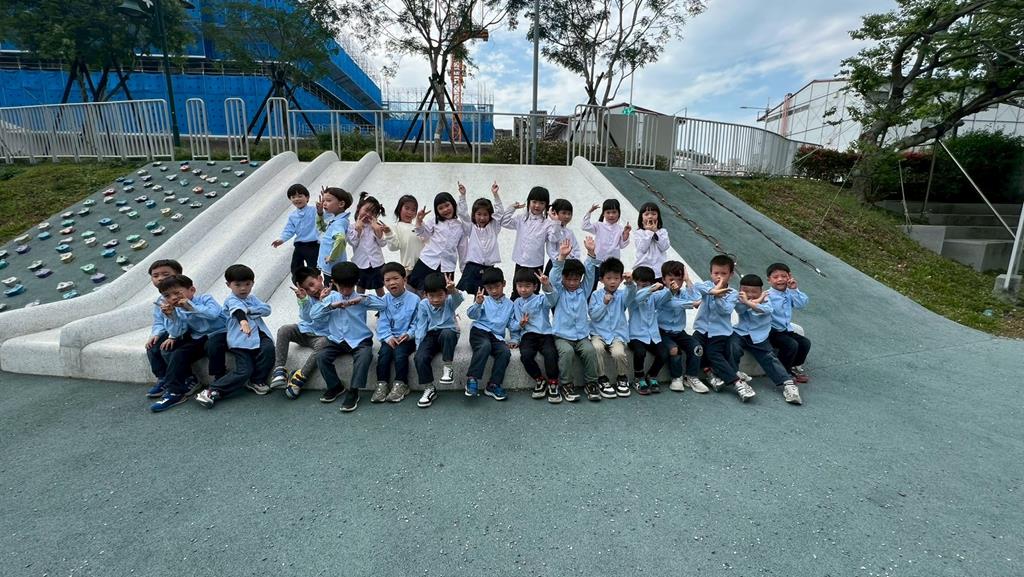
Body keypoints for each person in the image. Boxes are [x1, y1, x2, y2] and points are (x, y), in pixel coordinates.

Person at [195, 264, 275, 408]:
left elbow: (267, 309)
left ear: (253, 283)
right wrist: (243, 321)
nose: (243, 288)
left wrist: (248, 310)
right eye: (238, 285)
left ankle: (257, 381)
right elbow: (238, 310)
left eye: (247, 284)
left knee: (269, 349)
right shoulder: (231, 300)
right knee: (244, 370)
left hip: (260, 335)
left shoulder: (252, 298)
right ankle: (212, 390)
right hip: (240, 340)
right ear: (228, 285)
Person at [311, 262, 385, 413]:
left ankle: (354, 390)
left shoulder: (360, 298)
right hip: (336, 340)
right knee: (321, 356)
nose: (345, 291)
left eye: (349, 287)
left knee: (365, 356)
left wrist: (362, 300)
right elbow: (314, 315)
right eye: (342, 287)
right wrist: (331, 306)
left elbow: (383, 305)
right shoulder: (331, 298)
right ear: (334, 283)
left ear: (356, 282)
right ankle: (335, 386)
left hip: (360, 340)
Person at [149, 274, 228, 412]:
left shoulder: (205, 299)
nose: (173, 298)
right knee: (178, 353)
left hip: (222, 332)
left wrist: (190, 306)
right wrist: (172, 316)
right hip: (199, 337)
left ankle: (219, 380)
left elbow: (213, 314)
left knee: (213, 345)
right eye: (167, 296)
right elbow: (178, 331)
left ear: (192, 290)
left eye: (177, 293)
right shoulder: (178, 310)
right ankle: (175, 392)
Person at [538, 237, 599, 403]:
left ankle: (592, 383)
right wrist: (561, 258)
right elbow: (553, 278)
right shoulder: (558, 292)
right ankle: (566, 384)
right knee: (567, 352)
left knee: (590, 351)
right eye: (568, 279)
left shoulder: (583, 291)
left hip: (582, 336)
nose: (572, 283)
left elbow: (590, 274)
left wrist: (591, 253)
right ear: (563, 279)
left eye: (576, 279)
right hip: (562, 337)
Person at [692, 255, 754, 402]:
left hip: (719, 332)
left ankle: (737, 383)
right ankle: (710, 373)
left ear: (731, 274)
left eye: (724, 273)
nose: (719, 277)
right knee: (694, 347)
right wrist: (713, 291)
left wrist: (718, 296)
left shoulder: (732, 293)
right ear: (711, 273)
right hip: (701, 329)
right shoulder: (707, 285)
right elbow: (697, 287)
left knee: (713, 353)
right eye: (716, 273)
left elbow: (725, 310)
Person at [733, 274, 802, 405]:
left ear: (761, 291)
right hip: (741, 332)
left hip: (760, 336)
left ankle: (788, 384)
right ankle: (736, 374)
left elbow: (764, 310)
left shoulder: (767, 300)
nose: (750, 294)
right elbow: (740, 309)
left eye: (754, 291)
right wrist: (750, 301)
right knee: (732, 347)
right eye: (746, 291)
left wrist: (751, 302)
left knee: (769, 357)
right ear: (740, 290)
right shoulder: (739, 299)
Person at [269, 266, 330, 400]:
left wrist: (322, 301)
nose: (312, 290)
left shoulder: (331, 296)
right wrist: (303, 300)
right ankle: (279, 369)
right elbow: (306, 317)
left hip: (320, 335)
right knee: (284, 329)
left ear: (320, 278)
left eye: (312, 284)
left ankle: (300, 376)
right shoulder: (306, 298)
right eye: (307, 289)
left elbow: (321, 317)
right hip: (304, 331)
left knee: (324, 343)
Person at [371, 262, 421, 404]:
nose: (392, 282)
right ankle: (382, 384)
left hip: (407, 338)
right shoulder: (384, 301)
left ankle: (401, 384)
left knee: (400, 354)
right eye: (387, 280)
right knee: (384, 354)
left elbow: (418, 322)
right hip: (390, 338)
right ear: (384, 283)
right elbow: (382, 322)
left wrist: (409, 334)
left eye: (395, 278)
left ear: (404, 280)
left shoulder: (414, 299)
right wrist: (388, 337)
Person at [508, 267, 560, 403]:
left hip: (545, 333)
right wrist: (517, 333)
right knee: (525, 355)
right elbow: (513, 324)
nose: (523, 289)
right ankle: (539, 379)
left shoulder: (541, 299)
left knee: (550, 353)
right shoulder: (516, 303)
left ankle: (553, 382)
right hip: (527, 335)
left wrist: (546, 285)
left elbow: (552, 300)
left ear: (535, 286)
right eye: (520, 286)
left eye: (527, 286)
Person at [412, 272, 463, 408]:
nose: (435, 300)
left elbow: (459, 298)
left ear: (446, 294)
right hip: (431, 335)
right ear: (425, 295)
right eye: (431, 296)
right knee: (420, 357)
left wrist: (453, 290)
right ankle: (429, 388)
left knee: (447, 333)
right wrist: (419, 346)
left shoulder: (450, 301)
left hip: (449, 334)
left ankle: (448, 368)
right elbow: (421, 326)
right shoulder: (423, 305)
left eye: (440, 295)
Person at [587, 257, 635, 400]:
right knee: (597, 348)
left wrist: (630, 284)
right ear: (601, 279)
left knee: (619, 353)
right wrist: (604, 303)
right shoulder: (596, 295)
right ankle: (602, 378)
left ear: (621, 279)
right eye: (608, 278)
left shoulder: (622, 294)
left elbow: (631, 297)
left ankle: (622, 377)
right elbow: (594, 316)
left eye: (616, 278)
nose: (612, 281)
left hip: (617, 335)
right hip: (598, 333)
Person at [465, 267, 516, 400]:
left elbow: (511, 324)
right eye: (489, 288)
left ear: (504, 284)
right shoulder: (484, 300)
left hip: (497, 336)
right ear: (485, 288)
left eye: (497, 286)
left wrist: (516, 335)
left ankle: (493, 385)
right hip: (479, 331)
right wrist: (477, 303)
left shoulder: (510, 304)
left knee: (504, 352)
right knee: (484, 346)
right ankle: (472, 379)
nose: (493, 291)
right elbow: (471, 315)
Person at [658, 260, 708, 394]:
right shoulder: (661, 294)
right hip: (662, 332)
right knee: (674, 349)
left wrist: (687, 280)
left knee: (697, 348)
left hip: (679, 332)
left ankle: (691, 376)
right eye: (671, 279)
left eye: (679, 279)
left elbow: (697, 297)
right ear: (663, 280)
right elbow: (674, 303)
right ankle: (676, 377)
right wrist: (691, 304)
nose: (675, 282)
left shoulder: (683, 293)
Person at [502, 185, 558, 300]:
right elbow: (504, 222)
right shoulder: (521, 218)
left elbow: (554, 238)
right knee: (517, 291)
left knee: (533, 293)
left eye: (542, 203)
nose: (537, 206)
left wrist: (555, 222)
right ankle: (515, 311)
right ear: (529, 202)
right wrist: (512, 208)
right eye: (534, 202)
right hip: (520, 263)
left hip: (536, 265)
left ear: (546, 205)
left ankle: (532, 312)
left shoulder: (547, 224)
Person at [455, 181, 507, 295]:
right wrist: (462, 196)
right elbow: (462, 214)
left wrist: (495, 195)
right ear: (474, 215)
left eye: (485, 214)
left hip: (488, 268)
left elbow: (500, 213)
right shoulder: (471, 228)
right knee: (463, 294)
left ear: (490, 215)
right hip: (472, 267)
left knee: (485, 295)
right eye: (479, 214)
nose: (482, 218)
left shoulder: (494, 227)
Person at [144, 258, 184, 399]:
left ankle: (187, 378)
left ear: (178, 275)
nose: (160, 278)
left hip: (184, 331)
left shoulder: (182, 295)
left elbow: (185, 320)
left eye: (165, 274)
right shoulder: (160, 300)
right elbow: (159, 322)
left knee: (170, 349)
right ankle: (163, 378)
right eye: (155, 276)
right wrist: (155, 334)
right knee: (152, 346)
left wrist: (172, 336)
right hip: (172, 330)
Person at [408, 192, 464, 292]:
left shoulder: (460, 226)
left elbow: (462, 249)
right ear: (437, 210)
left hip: (447, 266)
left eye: (447, 205)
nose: (445, 209)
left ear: (453, 204)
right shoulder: (434, 221)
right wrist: (419, 220)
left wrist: (463, 268)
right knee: (415, 288)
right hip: (428, 260)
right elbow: (424, 235)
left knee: (442, 292)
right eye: (440, 208)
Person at [766, 262, 811, 383]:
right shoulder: (767, 296)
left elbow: (801, 304)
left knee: (805, 343)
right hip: (771, 330)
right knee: (791, 344)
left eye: (784, 276)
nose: (780, 279)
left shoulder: (790, 292)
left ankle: (792, 367)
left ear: (789, 277)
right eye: (775, 277)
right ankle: (782, 372)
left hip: (785, 329)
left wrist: (794, 289)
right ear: (769, 280)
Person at [627, 266, 668, 395]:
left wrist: (671, 290)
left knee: (663, 353)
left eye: (647, 284)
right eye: (641, 284)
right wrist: (650, 289)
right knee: (640, 352)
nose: (643, 287)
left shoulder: (653, 297)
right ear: (636, 283)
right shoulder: (632, 296)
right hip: (635, 335)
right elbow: (637, 299)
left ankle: (652, 375)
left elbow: (665, 297)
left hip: (652, 335)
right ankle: (638, 378)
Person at [582, 199, 631, 290]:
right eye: (608, 212)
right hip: (597, 261)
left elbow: (622, 245)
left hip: (612, 263)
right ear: (603, 214)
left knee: (611, 285)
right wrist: (589, 212)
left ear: (619, 213)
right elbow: (585, 226)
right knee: (592, 283)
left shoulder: (620, 229)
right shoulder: (599, 225)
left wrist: (626, 233)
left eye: (614, 212)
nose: (611, 215)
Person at [347, 191, 388, 296]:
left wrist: (378, 231)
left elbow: (383, 243)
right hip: (360, 264)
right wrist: (358, 230)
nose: (368, 214)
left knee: (379, 287)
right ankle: (359, 305)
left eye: (373, 213)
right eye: (366, 210)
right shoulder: (352, 227)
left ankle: (383, 305)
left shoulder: (376, 226)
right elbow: (353, 243)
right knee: (360, 288)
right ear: (359, 209)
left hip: (377, 263)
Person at [271, 184, 319, 273]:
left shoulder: (314, 210)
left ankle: (315, 281)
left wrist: (321, 211)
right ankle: (299, 281)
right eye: (293, 197)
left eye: (300, 196)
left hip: (313, 245)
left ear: (307, 197)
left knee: (313, 268)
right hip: (299, 245)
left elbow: (324, 217)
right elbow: (289, 230)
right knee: (296, 268)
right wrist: (281, 239)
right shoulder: (292, 216)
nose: (296, 199)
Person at [316, 187, 353, 285]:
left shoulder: (339, 222)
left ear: (341, 204)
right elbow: (323, 229)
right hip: (330, 266)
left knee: (332, 288)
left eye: (328, 200)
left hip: (332, 266)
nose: (324, 203)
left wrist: (332, 257)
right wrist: (320, 213)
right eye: (324, 200)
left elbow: (340, 239)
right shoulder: (336, 219)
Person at [383, 195, 425, 274]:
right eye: (407, 208)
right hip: (410, 268)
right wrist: (388, 233)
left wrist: (420, 221)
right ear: (399, 209)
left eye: (413, 210)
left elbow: (427, 240)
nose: (410, 212)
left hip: (425, 265)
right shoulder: (396, 227)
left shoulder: (417, 226)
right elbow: (393, 247)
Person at [633, 202, 670, 281]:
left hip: (659, 272)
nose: (650, 216)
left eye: (653, 214)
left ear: (658, 216)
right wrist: (649, 232)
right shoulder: (639, 233)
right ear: (641, 217)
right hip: (643, 270)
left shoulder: (663, 231)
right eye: (646, 214)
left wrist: (656, 231)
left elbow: (664, 247)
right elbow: (642, 248)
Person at [544, 198, 580, 275]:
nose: (567, 216)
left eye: (569, 214)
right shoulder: (551, 229)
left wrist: (574, 261)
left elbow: (576, 249)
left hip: (569, 265)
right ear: (554, 213)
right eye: (564, 213)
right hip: (555, 264)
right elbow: (551, 248)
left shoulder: (569, 232)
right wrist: (556, 222)